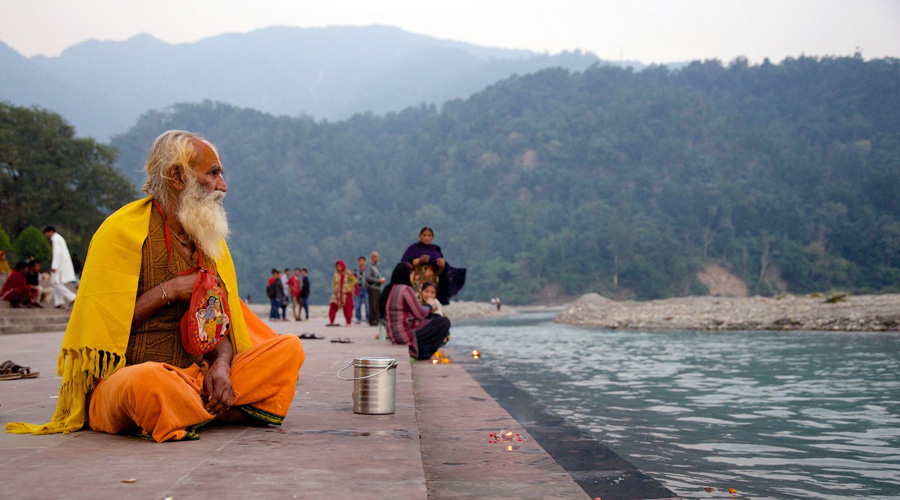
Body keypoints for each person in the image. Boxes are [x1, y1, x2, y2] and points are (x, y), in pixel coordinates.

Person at [6, 130, 304, 443]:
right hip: (128, 378)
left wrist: (221, 365)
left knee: (288, 349)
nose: (223, 186)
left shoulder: (209, 242)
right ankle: (223, 410)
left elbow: (220, 327)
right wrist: (170, 291)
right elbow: (100, 330)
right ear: (177, 176)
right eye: (213, 174)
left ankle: (195, 408)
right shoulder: (119, 234)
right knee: (149, 383)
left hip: (195, 377)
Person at [382, 263, 451, 360]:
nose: (413, 277)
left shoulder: (393, 288)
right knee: (444, 322)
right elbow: (420, 314)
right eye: (412, 274)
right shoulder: (406, 289)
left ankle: (423, 350)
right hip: (405, 335)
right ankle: (423, 354)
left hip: (395, 335)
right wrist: (429, 305)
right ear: (406, 274)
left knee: (435, 318)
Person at [400, 227, 466, 305]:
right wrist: (419, 260)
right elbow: (404, 263)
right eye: (424, 235)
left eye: (429, 235)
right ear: (419, 236)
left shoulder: (435, 249)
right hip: (417, 279)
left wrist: (441, 264)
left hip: (432, 280)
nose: (427, 238)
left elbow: (440, 266)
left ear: (432, 238)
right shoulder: (413, 249)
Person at [43, 226, 78, 309]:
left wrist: (54, 266)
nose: (46, 236)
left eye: (46, 233)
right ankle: (59, 302)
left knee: (55, 282)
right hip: (61, 264)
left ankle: (72, 297)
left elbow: (57, 252)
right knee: (56, 283)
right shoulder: (58, 238)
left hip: (59, 265)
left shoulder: (56, 239)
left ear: (51, 232)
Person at [328, 260, 356, 326]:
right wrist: (334, 288)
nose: (338, 268)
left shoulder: (347, 273)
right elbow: (334, 282)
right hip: (337, 293)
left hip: (345, 292)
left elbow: (354, 280)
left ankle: (348, 321)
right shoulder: (336, 274)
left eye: (340, 266)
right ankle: (331, 321)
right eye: (337, 266)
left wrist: (349, 288)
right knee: (332, 305)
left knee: (348, 308)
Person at [364, 251, 386, 326]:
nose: (377, 258)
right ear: (372, 258)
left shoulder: (376, 266)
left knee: (377, 304)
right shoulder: (369, 266)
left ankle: (377, 319)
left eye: (378, 257)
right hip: (372, 287)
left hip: (378, 287)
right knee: (373, 304)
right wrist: (377, 280)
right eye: (375, 257)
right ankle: (373, 320)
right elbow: (367, 277)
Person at [353, 256, 369, 324]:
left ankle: (368, 319)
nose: (361, 262)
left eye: (362, 261)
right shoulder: (356, 270)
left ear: (365, 261)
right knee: (357, 305)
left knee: (367, 305)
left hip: (366, 289)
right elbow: (353, 279)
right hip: (358, 289)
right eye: (360, 261)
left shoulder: (368, 270)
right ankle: (358, 319)